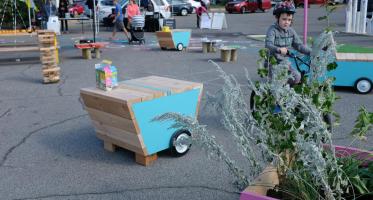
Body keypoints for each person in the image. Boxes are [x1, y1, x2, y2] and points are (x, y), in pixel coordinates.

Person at [265, 1, 311, 85]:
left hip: (285, 62)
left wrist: (311, 52)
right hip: (272, 63)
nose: (287, 22)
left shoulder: (291, 31)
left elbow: (299, 45)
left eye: (289, 20)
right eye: (284, 19)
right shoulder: (272, 30)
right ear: (277, 18)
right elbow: (268, 45)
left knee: (297, 77)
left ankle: (287, 93)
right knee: (277, 83)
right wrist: (278, 49)